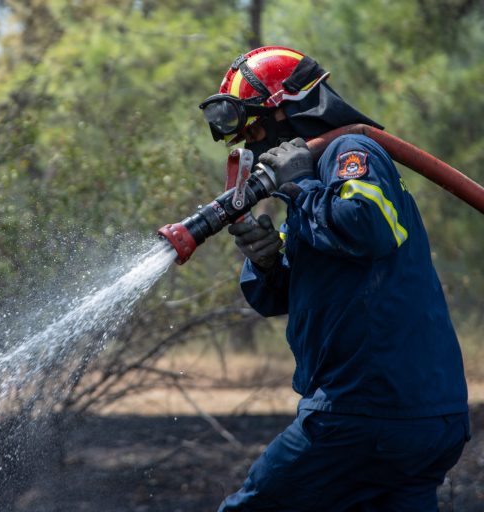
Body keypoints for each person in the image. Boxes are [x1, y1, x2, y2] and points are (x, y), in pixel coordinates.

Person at [199, 46, 471, 511]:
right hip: (422, 416)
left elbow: (370, 227)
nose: (257, 146)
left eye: (258, 128)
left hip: (363, 411)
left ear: (290, 111)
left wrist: (300, 185)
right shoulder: (318, 182)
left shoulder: (351, 151)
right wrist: (267, 261)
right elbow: (291, 288)